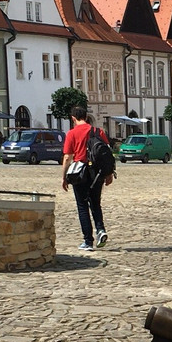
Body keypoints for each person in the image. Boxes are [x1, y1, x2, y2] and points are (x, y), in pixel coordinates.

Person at [61, 106, 111, 251]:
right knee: (95, 203)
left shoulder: (72, 133)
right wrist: (108, 173)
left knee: (82, 206)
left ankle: (88, 241)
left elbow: (67, 157)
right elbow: (106, 153)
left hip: (80, 173)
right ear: (87, 116)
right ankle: (100, 230)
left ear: (73, 118)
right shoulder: (98, 131)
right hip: (97, 173)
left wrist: (63, 177)